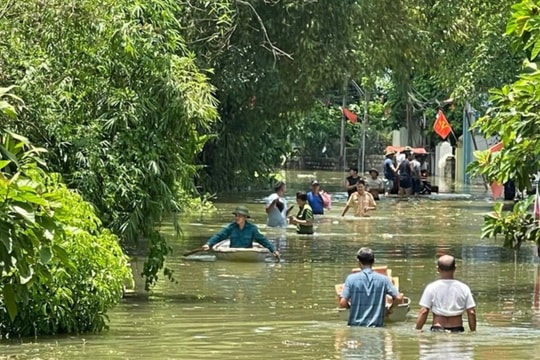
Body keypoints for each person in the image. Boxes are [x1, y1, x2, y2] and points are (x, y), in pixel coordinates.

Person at [339, 247, 403, 327]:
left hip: (355, 328)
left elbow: (342, 303)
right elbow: (399, 298)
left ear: (358, 261)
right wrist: (389, 309)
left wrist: (351, 308)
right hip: (377, 328)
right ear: (374, 261)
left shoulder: (351, 279)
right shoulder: (383, 280)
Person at [415, 255, 476, 333]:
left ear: (438, 269)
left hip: (437, 328)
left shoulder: (431, 287)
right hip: (457, 329)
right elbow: (471, 312)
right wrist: (473, 332)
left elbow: (424, 311)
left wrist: (417, 330)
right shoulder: (464, 288)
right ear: (455, 268)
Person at [202, 205, 280, 260]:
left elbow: (263, 240)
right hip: (233, 251)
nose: (237, 218)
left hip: (248, 253)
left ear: (245, 217)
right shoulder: (231, 227)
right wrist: (208, 244)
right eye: (236, 215)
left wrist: (273, 250)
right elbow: (219, 236)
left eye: (240, 216)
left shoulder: (252, 229)